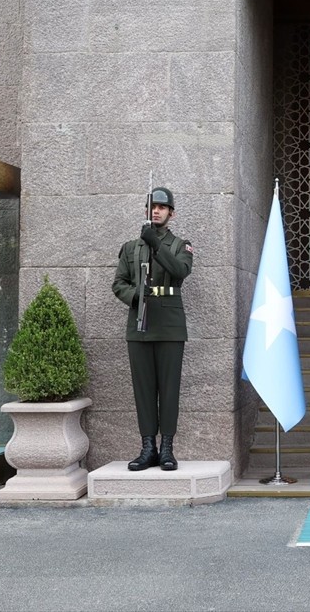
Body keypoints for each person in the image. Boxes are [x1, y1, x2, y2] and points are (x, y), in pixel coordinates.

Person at [111, 186, 193, 472]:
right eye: (152, 206)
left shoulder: (180, 245)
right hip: (140, 324)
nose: (156, 210)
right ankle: (148, 447)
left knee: (169, 389)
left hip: (170, 325)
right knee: (143, 389)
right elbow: (119, 282)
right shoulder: (131, 247)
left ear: (171, 213)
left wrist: (156, 245)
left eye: (162, 207)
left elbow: (180, 272)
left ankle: (168, 448)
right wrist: (135, 296)